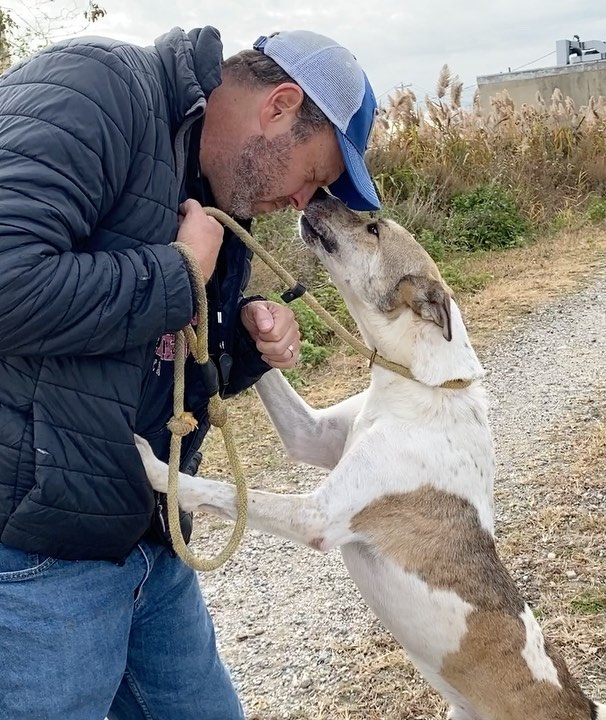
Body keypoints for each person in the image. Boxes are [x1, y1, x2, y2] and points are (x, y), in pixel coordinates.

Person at [0, 25, 380, 720]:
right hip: (33, 558)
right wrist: (179, 272)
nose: (303, 203)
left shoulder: (219, 187)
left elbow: (157, 353)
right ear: (280, 106)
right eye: (314, 177)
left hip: (147, 541)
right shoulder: (99, 88)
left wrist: (241, 339)